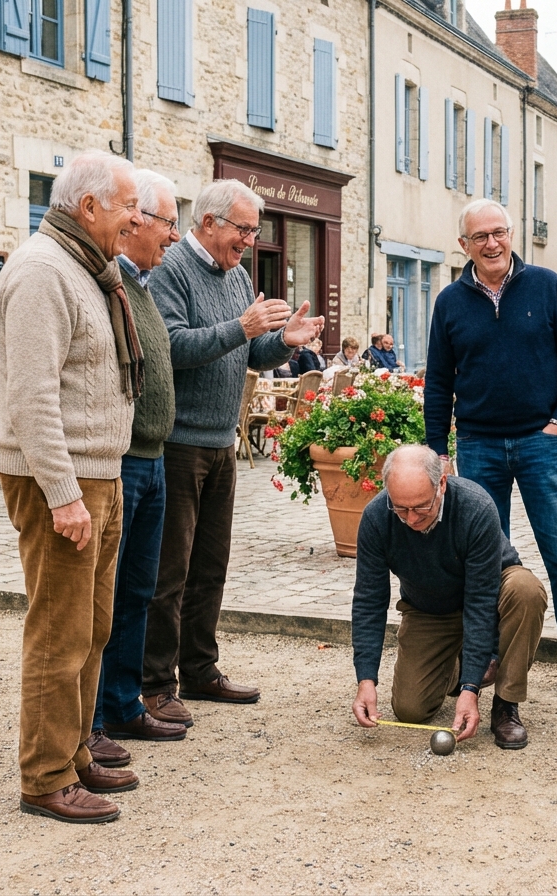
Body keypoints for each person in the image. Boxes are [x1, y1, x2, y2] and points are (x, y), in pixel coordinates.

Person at [0, 149, 144, 824]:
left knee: (91, 627)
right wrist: (63, 494)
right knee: (59, 632)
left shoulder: (86, 268)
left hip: (98, 474)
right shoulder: (42, 272)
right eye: (128, 208)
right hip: (64, 481)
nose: (136, 220)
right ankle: (45, 777)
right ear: (88, 208)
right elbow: (29, 398)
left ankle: (75, 747)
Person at [142, 179, 324, 726]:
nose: (249, 240)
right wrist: (242, 326)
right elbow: (170, 347)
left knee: (211, 566)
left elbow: (247, 348)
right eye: (243, 229)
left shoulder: (238, 274)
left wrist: (283, 341)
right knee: (168, 572)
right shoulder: (171, 270)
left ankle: (199, 668)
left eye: (254, 230)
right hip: (178, 443)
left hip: (223, 441)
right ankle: (155, 684)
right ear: (208, 223)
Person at [424, 198, 557, 702]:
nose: (492, 243)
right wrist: (438, 449)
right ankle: (486, 655)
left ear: (511, 233)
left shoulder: (545, 286)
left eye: (499, 232)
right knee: (484, 559)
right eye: (480, 236)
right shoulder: (450, 303)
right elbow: (438, 382)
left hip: (539, 444)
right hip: (478, 445)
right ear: (464, 245)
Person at [84, 170, 188, 773]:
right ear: (137, 220)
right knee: (109, 594)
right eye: (167, 222)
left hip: (152, 458)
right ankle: (92, 719)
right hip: (122, 460)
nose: (172, 235)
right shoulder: (109, 280)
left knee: (137, 593)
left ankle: (123, 703)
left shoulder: (140, 286)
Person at [351, 445, 547, 749]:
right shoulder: (377, 517)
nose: (411, 519)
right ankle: (462, 664)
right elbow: (369, 600)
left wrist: (470, 690)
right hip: (429, 608)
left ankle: (506, 704)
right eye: (400, 508)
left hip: (491, 596)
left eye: (420, 507)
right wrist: (366, 679)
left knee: (526, 591)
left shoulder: (475, 506)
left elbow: (481, 600)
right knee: (410, 709)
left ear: (441, 483)